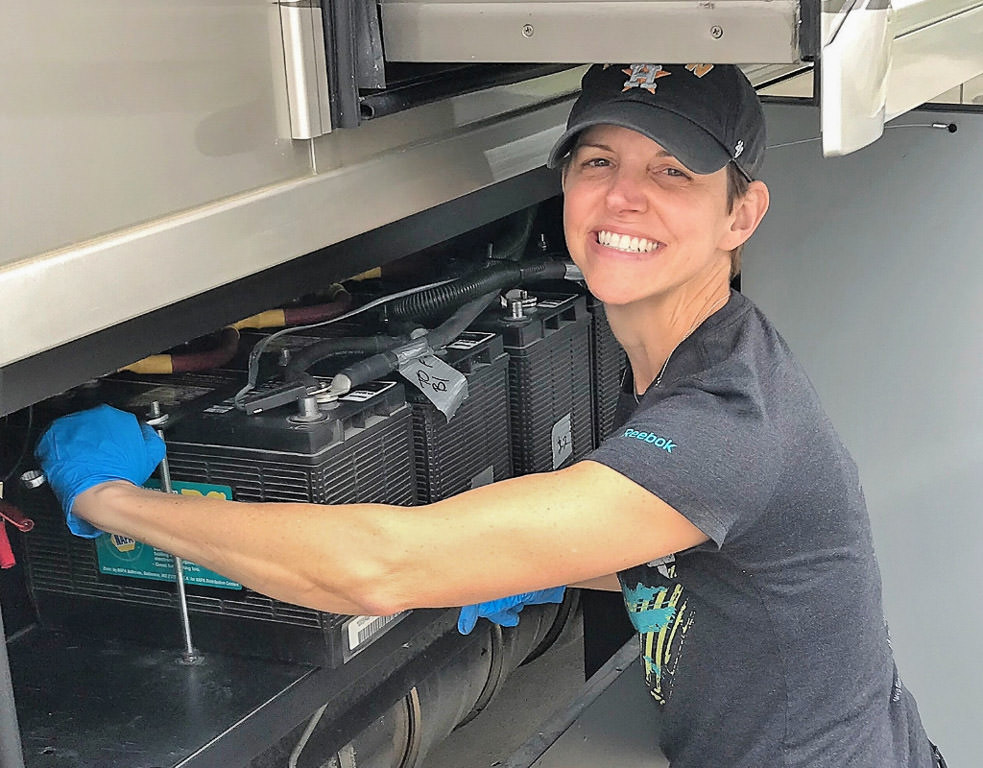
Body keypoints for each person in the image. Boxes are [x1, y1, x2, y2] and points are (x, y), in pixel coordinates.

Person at [36, 63, 943, 768]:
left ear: (740, 214)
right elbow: (712, 559)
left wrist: (109, 501)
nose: (624, 198)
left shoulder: (724, 424)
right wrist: (547, 565)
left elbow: (374, 568)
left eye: (672, 174)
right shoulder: (700, 354)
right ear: (565, 185)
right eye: (599, 163)